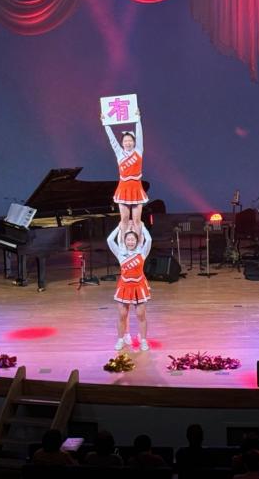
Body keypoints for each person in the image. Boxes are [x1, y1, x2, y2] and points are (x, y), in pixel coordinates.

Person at [107, 223, 152, 351]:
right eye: (128, 239)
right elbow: (109, 240)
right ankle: (121, 339)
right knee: (122, 315)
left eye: (133, 240)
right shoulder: (120, 254)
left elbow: (149, 240)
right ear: (125, 241)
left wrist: (142, 227)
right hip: (124, 287)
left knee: (141, 315)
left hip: (139, 287)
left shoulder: (142, 253)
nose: (130, 242)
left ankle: (143, 340)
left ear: (137, 241)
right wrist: (119, 227)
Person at [104, 109, 148, 237]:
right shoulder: (119, 153)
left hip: (136, 187)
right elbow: (112, 140)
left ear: (134, 142)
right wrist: (106, 124)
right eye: (125, 141)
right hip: (123, 187)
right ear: (122, 143)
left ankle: (138, 243)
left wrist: (138, 119)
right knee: (124, 219)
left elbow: (139, 135)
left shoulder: (138, 150)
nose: (128, 143)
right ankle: (123, 244)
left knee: (137, 220)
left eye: (130, 140)